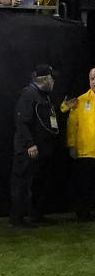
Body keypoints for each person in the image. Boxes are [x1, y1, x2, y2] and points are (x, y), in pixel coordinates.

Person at [11, 65, 59, 228]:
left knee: (39, 183)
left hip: (42, 149)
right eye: (52, 78)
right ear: (45, 79)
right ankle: (18, 217)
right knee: (22, 182)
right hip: (28, 149)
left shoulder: (43, 96)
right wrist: (30, 144)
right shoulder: (28, 94)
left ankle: (36, 214)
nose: (54, 81)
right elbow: (21, 121)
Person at [62, 68, 95, 221]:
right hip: (85, 151)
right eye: (92, 78)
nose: (94, 81)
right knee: (84, 186)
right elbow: (71, 124)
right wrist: (72, 145)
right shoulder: (80, 101)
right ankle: (83, 214)